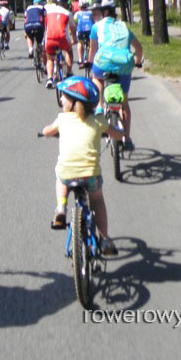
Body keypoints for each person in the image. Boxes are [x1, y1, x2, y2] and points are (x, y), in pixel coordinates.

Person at [37, 76, 120, 255]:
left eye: (64, 97)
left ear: (74, 102)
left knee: (60, 178)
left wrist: (44, 132)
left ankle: (61, 207)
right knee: (97, 199)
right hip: (91, 175)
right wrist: (120, 134)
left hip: (67, 174)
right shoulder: (98, 121)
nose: (61, 99)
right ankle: (104, 239)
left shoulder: (63, 119)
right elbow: (117, 134)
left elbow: (47, 131)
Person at [87, 0, 143, 148]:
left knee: (97, 78)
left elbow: (93, 51)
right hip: (124, 65)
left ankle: (99, 106)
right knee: (124, 104)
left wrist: (90, 62)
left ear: (104, 12)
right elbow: (138, 48)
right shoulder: (124, 26)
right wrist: (137, 62)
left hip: (103, 64)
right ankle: (128, 139)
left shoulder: (97, 26)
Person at [44, 0, 74, 88]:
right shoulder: (67, 13)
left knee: (49, 58)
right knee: (69, 51)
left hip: (50, 38)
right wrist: (74, 39)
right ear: (65, 3)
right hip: (62, 38)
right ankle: (69, 72)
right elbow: (73, 28)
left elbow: (45, 26)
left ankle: (49, 78)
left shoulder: (48, 12)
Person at [74, 0, 95, 67]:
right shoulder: (91, 13)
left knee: (80, 43)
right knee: (91, 44)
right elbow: (94, 21)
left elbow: (75, 22)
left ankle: (80, 60)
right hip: (90, 31)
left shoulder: (77, 13)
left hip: (81, 31)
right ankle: (91, 59)